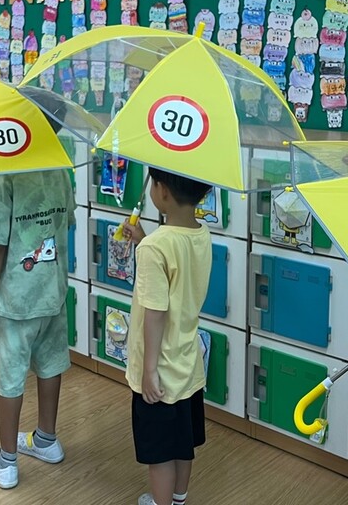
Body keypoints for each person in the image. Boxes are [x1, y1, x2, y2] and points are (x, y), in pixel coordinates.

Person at [0, 166, 75, 491]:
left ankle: (7, 462)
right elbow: (65, 221)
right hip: (53, 292)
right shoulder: (61, 170)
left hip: (16, 300)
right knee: (50, 365)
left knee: (11, 376)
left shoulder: (5, 176)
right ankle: (46, 438)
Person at [121, 168, 213, 505]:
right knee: (181, 443)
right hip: (187, 363)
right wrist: (145, 239)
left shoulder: (155, 248)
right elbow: (177, 264)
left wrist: (148, 371)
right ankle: (178, 500)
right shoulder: (201, 233)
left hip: (158, 369)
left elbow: (156, 313)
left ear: (160, 191)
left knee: (159, 453)